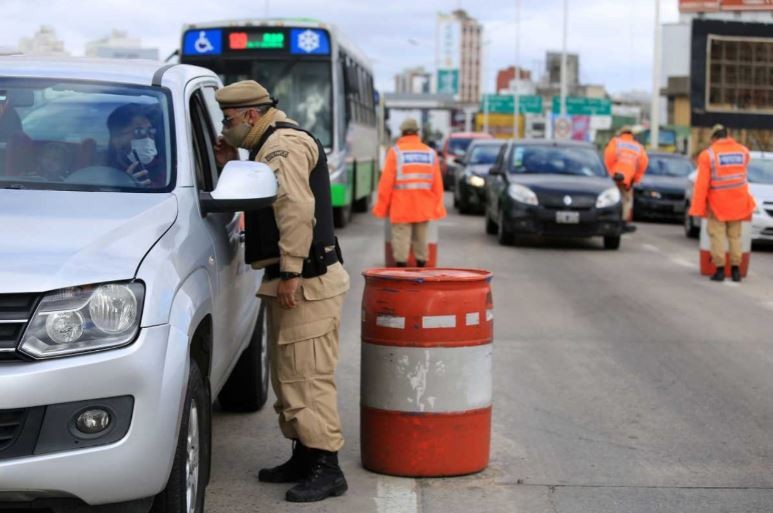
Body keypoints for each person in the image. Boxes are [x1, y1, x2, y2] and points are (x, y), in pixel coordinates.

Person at [213, 80, 349, 503]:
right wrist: (233, 162)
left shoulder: (281, 147)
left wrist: (290, 269)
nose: (225, 126)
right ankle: (304, 456)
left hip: (306, 281)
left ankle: (327, 467)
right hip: (297, 282)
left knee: (307, 377)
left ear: (252, 115)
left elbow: (294, 209)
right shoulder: (268, 144)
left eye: (229, 119)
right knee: (288, 376)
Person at [372, 118, 446, 267]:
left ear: (402, 133)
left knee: (401, 246)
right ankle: (421, 274)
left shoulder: (395, 153)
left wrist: (381, 208)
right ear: (418, 133)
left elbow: (385, 184)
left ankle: (401, 275)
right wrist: (437, 207)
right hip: (423, 208)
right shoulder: (430, 154)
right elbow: (437, 184)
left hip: (401, 209)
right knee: (421, 243)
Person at [688, 124, 756, 282]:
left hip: (718, 204)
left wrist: (697, 208)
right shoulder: (743, 151)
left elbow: (701, 185)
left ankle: (719, 270)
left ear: (714, 138)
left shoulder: (708, 155)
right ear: (728, 135)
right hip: (739, 203)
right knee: (735, 237)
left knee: (717, 236)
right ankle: (736, 270)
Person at [106, 103, 164, 188]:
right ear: (117, 139)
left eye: (150, 131)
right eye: (139, 132)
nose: (148, 138)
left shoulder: (165, 166)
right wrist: (124, 186)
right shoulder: (103, 168)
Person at [604, 126, 649, 232]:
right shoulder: (638, 147)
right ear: (632, 135)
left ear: (621, 133)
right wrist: (636, 178)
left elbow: (608, 156)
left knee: (611, 198)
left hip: (614, 176)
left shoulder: (615, 142)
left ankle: (611, 220)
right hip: (628, 177)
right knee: (626, 200)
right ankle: (623, 222)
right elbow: (643, 163)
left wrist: (609, 173)